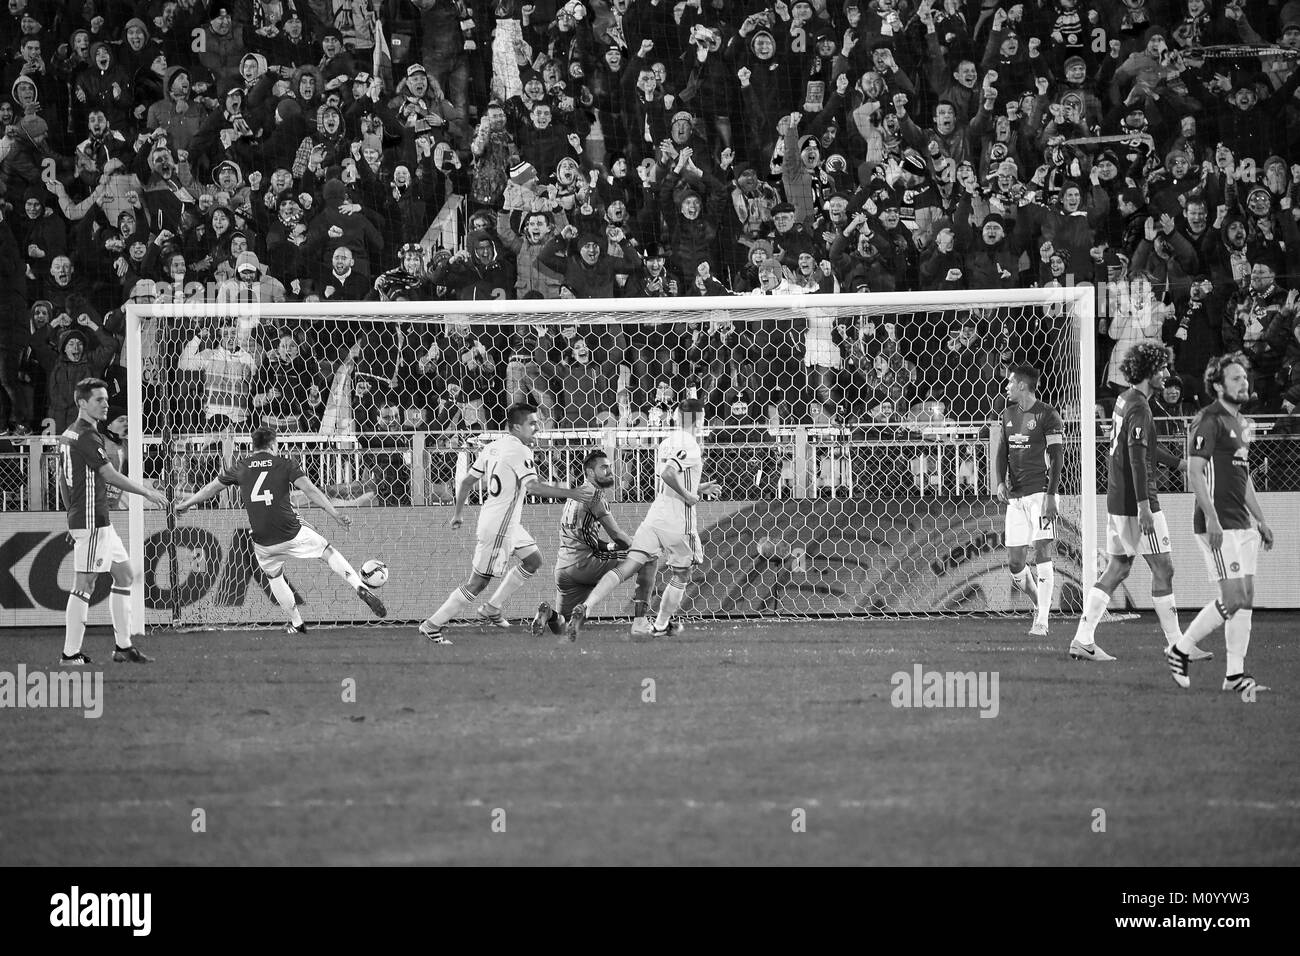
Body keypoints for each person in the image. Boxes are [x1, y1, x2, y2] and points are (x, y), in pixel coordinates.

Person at [175, 425, 386, 632]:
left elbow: (211, 488)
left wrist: (186, 504)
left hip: (263, 541)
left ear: (253, 446)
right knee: (326, 551)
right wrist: (336, 515)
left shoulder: (241, 466)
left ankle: (296, 622)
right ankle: (359, 586)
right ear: (273, 444)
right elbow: (311, 491)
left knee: (274, 576)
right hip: (290, 530)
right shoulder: (284, 463)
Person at [419, 403, 595, 645]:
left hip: (504, 522)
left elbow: (467, 482)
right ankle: (432, 625)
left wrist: (458, 514)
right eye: (532, 424)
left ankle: (493, 607)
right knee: (478, 582)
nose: (537, 428)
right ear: (516, 426)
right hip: (500, 527)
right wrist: (571, 493)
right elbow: (532, 487)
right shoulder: (520, 451)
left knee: (533, 560)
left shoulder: (492, 447)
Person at [1071, 342, 1195, 662]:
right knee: (1163, 567)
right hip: (1137, 500)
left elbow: (1145, 447)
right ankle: (1177, 644)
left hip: (1119, 497)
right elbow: (1137, 458)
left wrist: (1179, 464)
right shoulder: (1139, 406)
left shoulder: (1126, 399)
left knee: (1119, 567)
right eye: (1162, 369)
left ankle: (1083, 639)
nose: (1167, 374)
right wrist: (1144, 506)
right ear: (1149, 372)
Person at [565, 398, 720, 641]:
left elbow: (668, 478)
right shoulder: (690, 444)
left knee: (627, 567)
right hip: (678, 522)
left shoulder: (667, 442)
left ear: (676, 417)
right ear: (699, 419)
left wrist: (698, 487)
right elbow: (670, 474)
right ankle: (660, 625)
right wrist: (690, 494)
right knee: (682, 573)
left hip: (654, 517)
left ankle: (587, 606)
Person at [1167, 354, 1275, 694]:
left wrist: (1261, 520)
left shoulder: (1243, 423)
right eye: (1235, 379)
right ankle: (1180, 649)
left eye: (1245, 377)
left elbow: (1243, 479)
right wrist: (1211, 517)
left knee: (1245, 597)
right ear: (1217, 385)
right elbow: (1195, 472)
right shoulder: (1207, 419)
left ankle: (1234, 675)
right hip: (1217, 524)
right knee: (1231, 597)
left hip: (1242, 524)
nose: (1244, 383)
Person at [58, 378, 169, 665]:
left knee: (125, 575)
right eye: (99, 400)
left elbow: (62, 480)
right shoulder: (87, 436)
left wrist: (71, 516)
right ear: (82, 402)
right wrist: (147, 491)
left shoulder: (68, 434)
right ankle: (69, 655)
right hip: (93, 521)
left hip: (93, 520)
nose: (105, 404)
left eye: (106, 399)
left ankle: (123, 648)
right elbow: (108, 475)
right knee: (84, 584)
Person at [531, 449, 661, 642]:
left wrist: (610, 548)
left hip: (564, 569)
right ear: (590, 473)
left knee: (564, 627)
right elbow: (617, 535)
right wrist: (636, 544)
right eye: (604, 468)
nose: (610, 471)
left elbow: (585, 537)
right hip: (585, 564)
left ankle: (547, 613)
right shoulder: (595, 496)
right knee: (649, 557)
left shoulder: (574, 496)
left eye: (609, 467)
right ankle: (640, 622)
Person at [994, 364, 1063, 636]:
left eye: (1010, 382)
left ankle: (1043, 621)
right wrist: (1000, 481)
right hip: (1016, 497)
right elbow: (1002, 452)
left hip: (1040, 494)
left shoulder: (1047, 415)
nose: (1007, 386)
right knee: (1015, 562)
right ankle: (1040, 604)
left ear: (1023, 385)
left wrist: (1051, 495)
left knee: (1043, 552)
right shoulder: (1007, 413)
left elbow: (1057, 457)